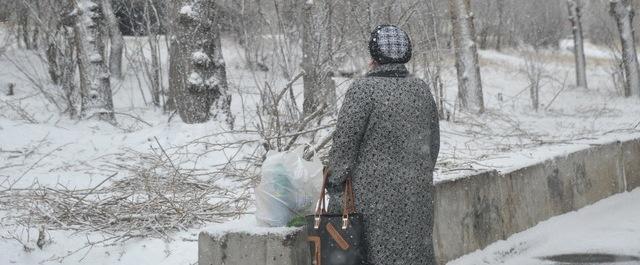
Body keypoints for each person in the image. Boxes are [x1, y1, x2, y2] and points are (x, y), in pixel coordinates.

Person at [327, 24, 440, 265]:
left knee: (377, 256)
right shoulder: (421, 89)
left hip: (373, 202)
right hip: (416, 196)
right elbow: (433, 143)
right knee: (415, 255)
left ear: (374, 56)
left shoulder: (363, 90)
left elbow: (344, 145)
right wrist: (417, 174)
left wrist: (334, 183)